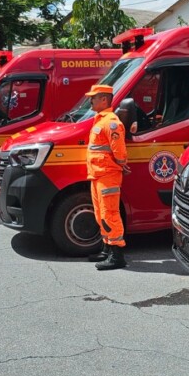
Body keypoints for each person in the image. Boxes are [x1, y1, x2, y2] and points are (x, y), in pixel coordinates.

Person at [84, 84, 129, 270]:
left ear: (104, 99)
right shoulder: (99, 120)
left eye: (94, 97)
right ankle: (106, 249)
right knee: (100, 214)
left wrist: (120, 163)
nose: (91, 100)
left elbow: (120, 152)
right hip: (97, 175)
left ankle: (117, 256)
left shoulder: (111, 122)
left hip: (107, 175)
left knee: (110, 213)